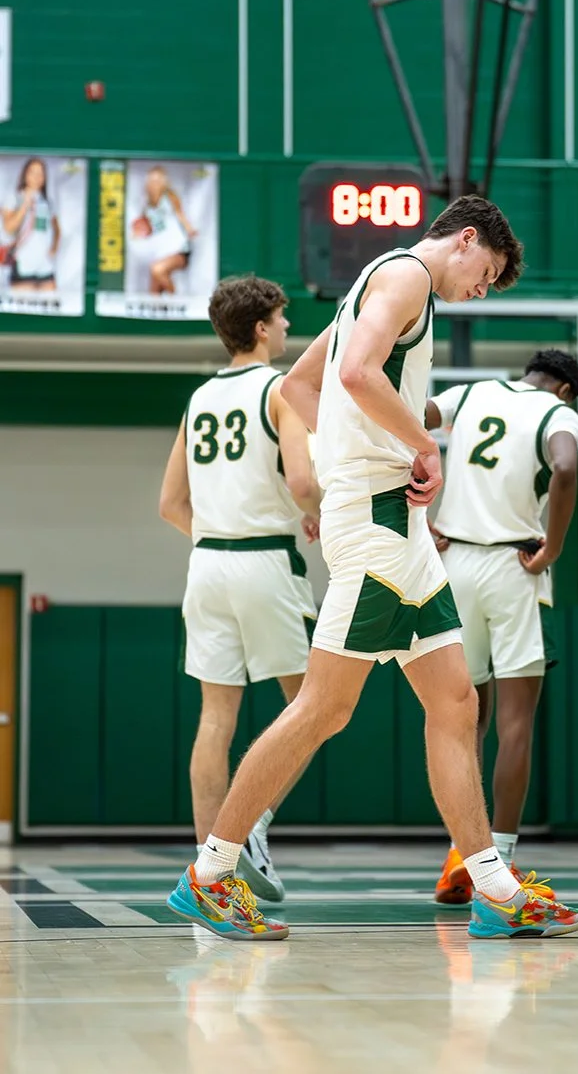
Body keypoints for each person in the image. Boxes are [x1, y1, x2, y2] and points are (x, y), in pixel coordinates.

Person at [166, 194, 578, 941]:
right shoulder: (404, 277)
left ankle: (494, 886)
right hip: (374, 521)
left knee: (456, 704)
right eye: (486, 274)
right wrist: (420, 447)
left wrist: (393, 441)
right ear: (465, 241)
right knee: (322, 709)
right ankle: (208, 873)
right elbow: (360, 373)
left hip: (398, 526)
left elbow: (307, 386)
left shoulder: (379, 283)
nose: (480, 291)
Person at [159, 274, 321, 903]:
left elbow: (170, 502)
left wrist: (217, 533)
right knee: (311, 711)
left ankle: (211, 878)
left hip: (207, 564)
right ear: (260, 327)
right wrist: (323, 514)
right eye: (281, 319)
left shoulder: (200, 397)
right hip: (263, 562)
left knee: (215, 717)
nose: (286, 328)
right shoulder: (279, 388)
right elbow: (303, 482)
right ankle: (249, 823)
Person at [425, 349, 578, 905]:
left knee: (463, 719)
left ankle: (459, 855)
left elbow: (408, 418)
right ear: (565, 389)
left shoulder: (471, 393)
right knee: (516, 723)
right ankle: (501, 866)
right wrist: (555, 546)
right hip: (514, 569)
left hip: (454, 563)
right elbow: (565, 466)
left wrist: (416, 506)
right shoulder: (557, 413)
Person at [132, 165, 197, 296]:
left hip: (178, 247)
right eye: (151, 181)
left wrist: (189, 229)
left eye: (157, 180)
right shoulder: (147, 204)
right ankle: (155, 312)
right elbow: (148, 227)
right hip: (160, 249)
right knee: (154, 287)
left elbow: (180, 215)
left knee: (157, 270)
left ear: (163, 182)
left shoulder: (170, 197)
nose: (154, 184)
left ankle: (176, 302)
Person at [1, 158, 60, 291]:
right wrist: (25, 205)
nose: (36, 177)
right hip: (23, 264)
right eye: (32, 172)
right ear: (25, 174)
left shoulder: (47, 202)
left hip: (44, 265)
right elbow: (9, 228)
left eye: (40, 173)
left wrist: (53, 249)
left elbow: (56, 228)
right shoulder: (14, 198)